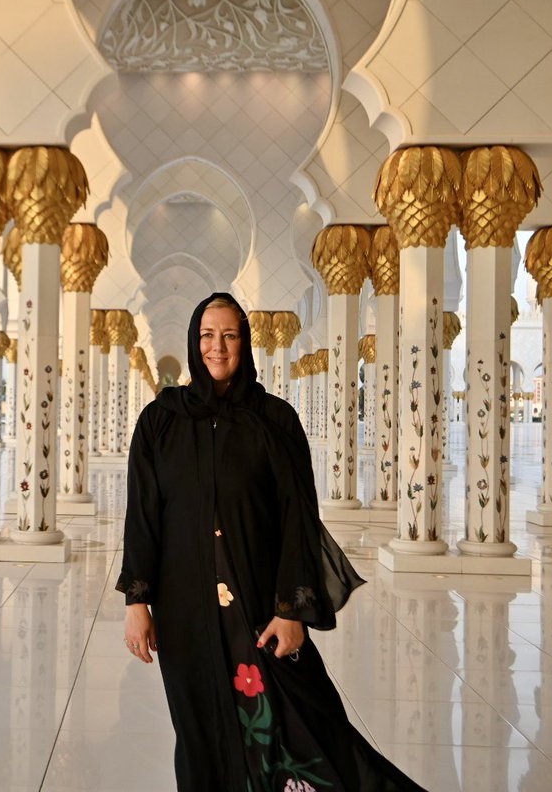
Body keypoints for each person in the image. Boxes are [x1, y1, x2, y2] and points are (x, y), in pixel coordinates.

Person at [117, 292, 425, 792]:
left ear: (245, 343)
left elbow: (298, 519)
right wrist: (137, 603)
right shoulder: (161, 421)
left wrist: (292, 609)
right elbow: (143, 517)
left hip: (261, 607)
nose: (218, 347)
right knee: (200, 729)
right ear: (195, 343)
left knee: (301, 724)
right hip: (186, 612)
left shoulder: (274, 420)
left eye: (230, 335)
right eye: (207, 335)